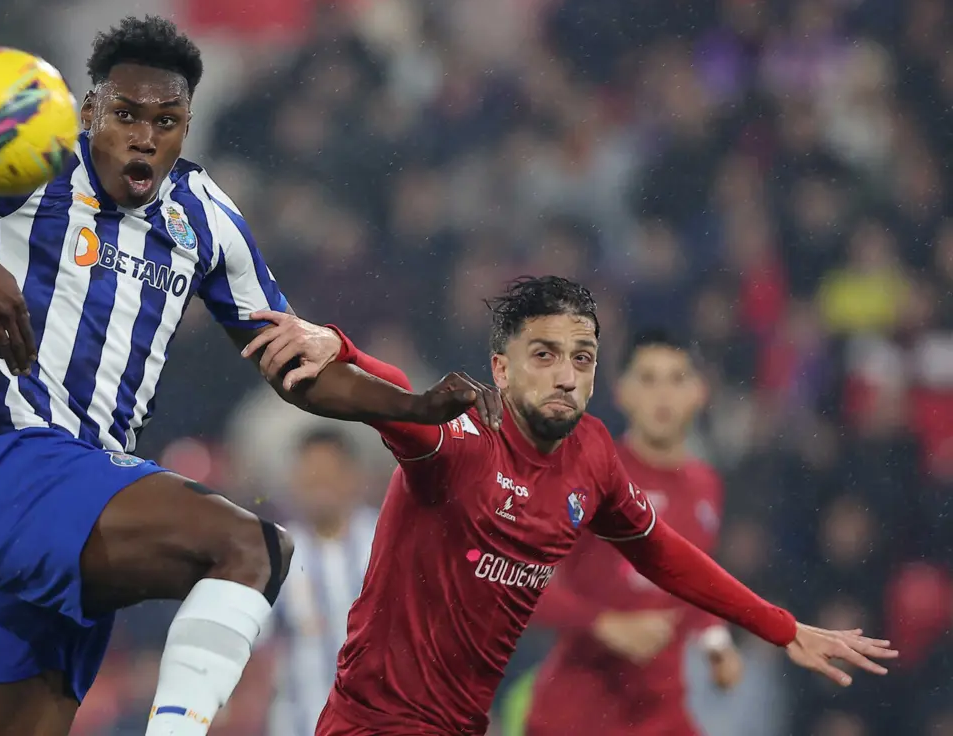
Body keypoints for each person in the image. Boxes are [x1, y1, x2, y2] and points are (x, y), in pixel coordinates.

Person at [0, 16, 497, 736]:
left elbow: (293, 366)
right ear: (91, 111)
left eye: (166, 121)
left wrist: (413, 405)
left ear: (187, 127)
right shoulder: (35, 163)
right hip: (12, 464)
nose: (144, 137)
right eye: (126, 115)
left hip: (80, 506)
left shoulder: (205, 218)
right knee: (253, 548)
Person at [244, 276, 897, 736]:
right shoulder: (461, 439)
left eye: (582, 358)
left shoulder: (592, 455)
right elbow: (378, 395)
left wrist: (783, 628)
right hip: (375, 723)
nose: (566, 375)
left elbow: (661, 552)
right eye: (545, 355)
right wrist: (341, 346)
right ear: (502, 369)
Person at [524, 329, 739, 736]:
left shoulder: (706, 485)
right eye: (648, 379)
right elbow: (522, 581)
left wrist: (717, 645)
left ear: (700, 393)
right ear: (622, 392)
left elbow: (695, 583)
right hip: (578, 717)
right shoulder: (587, 475)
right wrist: (604, 624)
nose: (663, 395)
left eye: (676, 379)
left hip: (659, 713)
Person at [262, 428, 379, 736]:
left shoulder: (387, 543)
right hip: (301, 725)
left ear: (352, 477)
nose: (318, 485)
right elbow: (254, 643)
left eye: (328, 474)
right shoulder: (277, 552)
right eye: (310, 475)